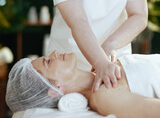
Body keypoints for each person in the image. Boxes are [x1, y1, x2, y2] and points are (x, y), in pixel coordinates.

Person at [6, 50, 160, 118]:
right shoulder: (104, 95)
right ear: (53, 89)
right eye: (48, 61)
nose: (54, 52)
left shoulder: (103, 69)